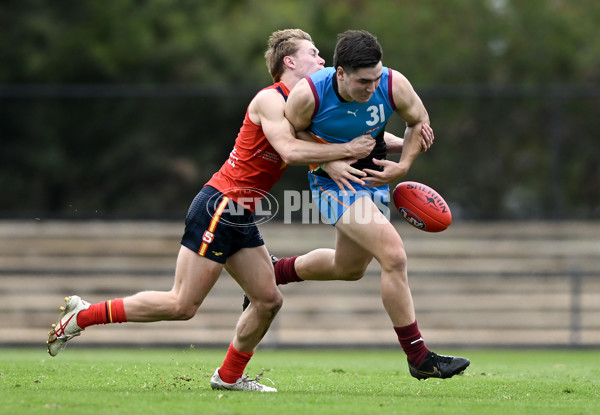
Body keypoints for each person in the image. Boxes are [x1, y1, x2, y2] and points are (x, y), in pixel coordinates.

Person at [45, 29, 379, 392]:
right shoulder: (271, 99)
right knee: (182, 304)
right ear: (290, 62)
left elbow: (351, 141)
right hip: (220, 204)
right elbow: (292, 151)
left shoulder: (304, 110)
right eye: (313, 53)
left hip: (241, 212)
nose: (321, 60)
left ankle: (229, 377)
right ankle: (83, 315)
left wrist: (409, 138)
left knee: (268, 300)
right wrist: (344, 151)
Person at [276, 29, 470, 380]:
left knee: (348, 268)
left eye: (376, 79)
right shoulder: (309, 95)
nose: (371, 88)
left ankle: (273, 272)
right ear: (340, 73)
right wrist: (326, 161)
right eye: (363, 82)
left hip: (375, 177)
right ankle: (419, 357)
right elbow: (290, 136)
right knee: (394, 255)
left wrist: (403, 165)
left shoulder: (393, 83)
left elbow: (418, 121)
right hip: (334, 183)